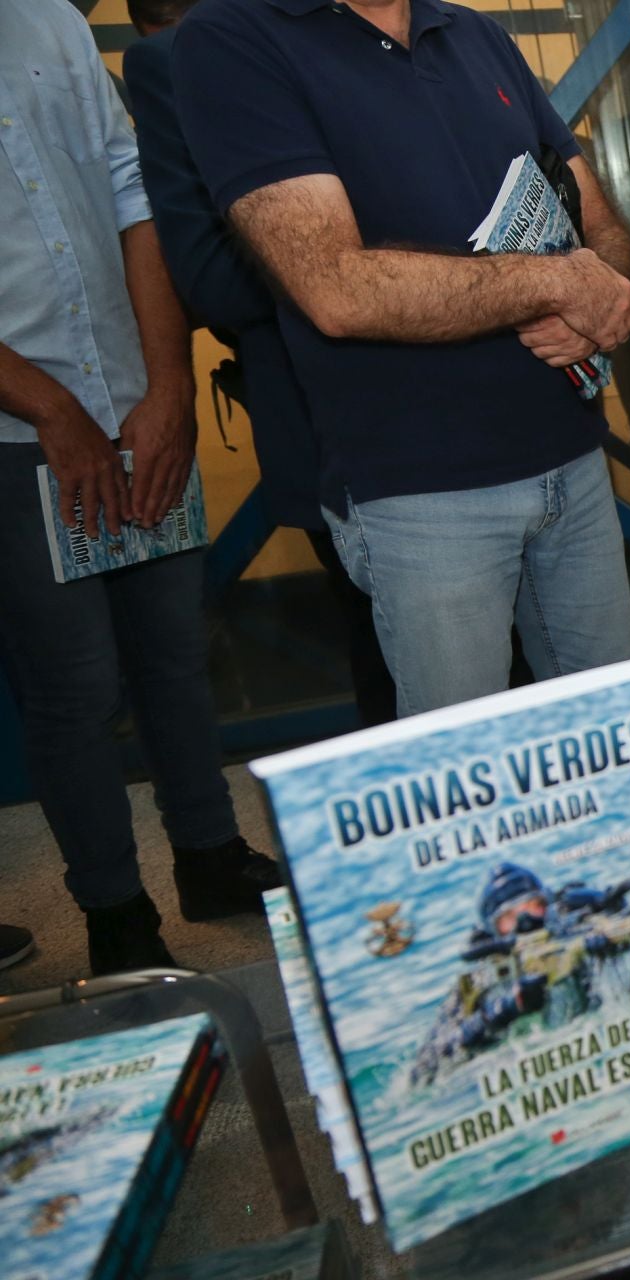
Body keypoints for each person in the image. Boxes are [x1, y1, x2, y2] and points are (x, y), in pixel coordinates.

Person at [170, 0, 630, 718]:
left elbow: (602, 224)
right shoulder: (234, 38)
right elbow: (336, 287)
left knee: (610, 743)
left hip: (572, 461)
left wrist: (601, 297)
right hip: (423, 491)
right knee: (463, 782)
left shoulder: (472, 31)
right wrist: (557, 283)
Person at [0, 0, 282, 974]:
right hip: (15, 432)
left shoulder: (52, 25)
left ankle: (208, 852)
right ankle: (117, 914)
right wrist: (47, 407)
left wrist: (165, 385)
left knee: (174, 649)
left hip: (131, 403)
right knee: (72, 685)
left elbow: (136, 199)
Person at [120, 0, 397, 727]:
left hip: (487, 402)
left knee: (534, 667)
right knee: (398, 672)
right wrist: (361, 271)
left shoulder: (387, 30)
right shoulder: (177, 58)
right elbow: (210, 276)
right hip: (335, 422)